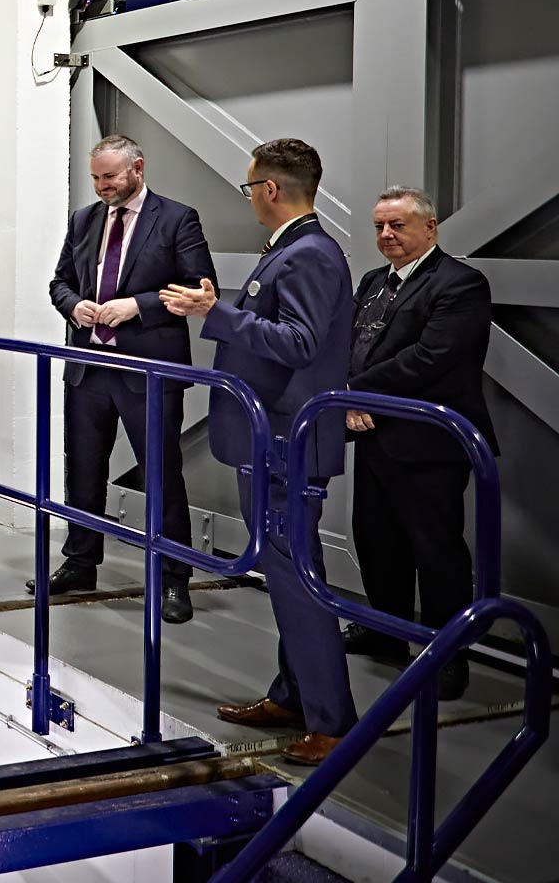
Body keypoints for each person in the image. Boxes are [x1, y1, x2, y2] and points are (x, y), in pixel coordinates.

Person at [161, 137, 356, 765]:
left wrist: (214, 313)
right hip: (269, 438)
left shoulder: (310, 256)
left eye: (250, 189)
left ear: (270, 190)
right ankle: (293, 695)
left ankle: (332, 719)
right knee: (281, 574)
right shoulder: (294, 251)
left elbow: (298, 341)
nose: (249, 199)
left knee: (299, 580)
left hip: (285, 442)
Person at [40, 135, 215, 624]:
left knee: (162, 475)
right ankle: (80, 562)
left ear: (138, 168)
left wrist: (137, 306)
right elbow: (59, 281)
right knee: (84, 470)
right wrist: (74, 304)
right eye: (96, 178)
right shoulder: (84, 220)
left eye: (110, 177)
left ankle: (174, 578)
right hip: (89, 365)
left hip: (148, 372)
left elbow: (201, 289)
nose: (101, 187)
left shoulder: (178, 219)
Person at [342, 186, 497, 701]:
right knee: (375, 537)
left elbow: (432, 357)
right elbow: (352, 346)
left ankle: (447, 652)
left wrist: (357, 392)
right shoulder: (372, 282)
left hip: (430, 442)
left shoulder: (460, 284)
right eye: (380, 227)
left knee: (436, 550)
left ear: (429, 228)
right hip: (374, 434)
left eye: (398, 225)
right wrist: (350, 394)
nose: (387, 235)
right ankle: (385, 630)